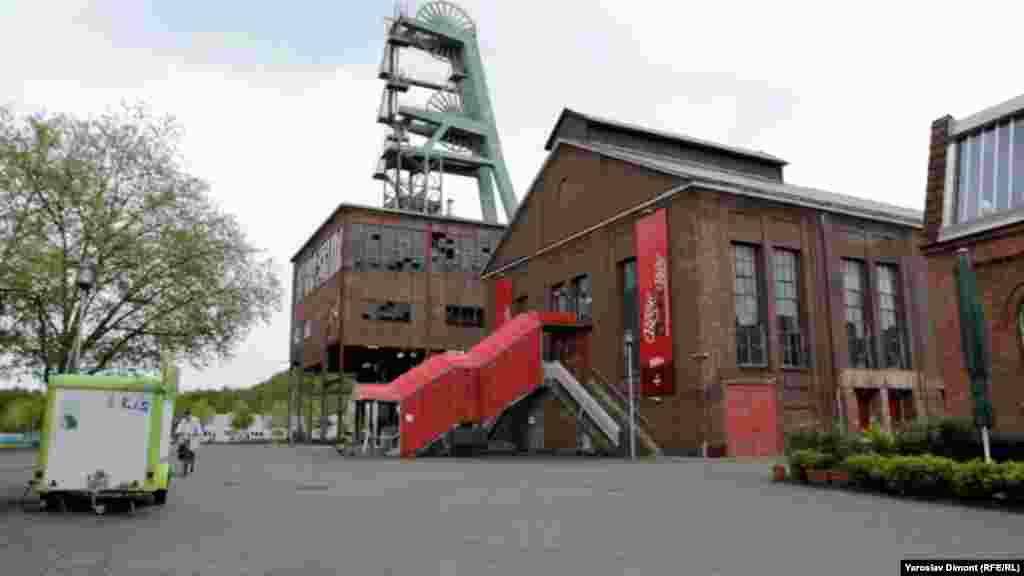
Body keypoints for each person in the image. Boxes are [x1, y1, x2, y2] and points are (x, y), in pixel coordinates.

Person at [174, 409, 202, 476]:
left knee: (192, 451)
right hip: (184, 437)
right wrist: (177, 432)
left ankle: (192, 463)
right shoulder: (183, 421)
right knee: (181, 448)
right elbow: (179, 427)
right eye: (185, 416)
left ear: (190, 415)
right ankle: (182, 458)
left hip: (192, 438)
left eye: (188, 416)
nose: (187, 417)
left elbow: (199, 428)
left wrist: (198, 432)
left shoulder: (195, 420)